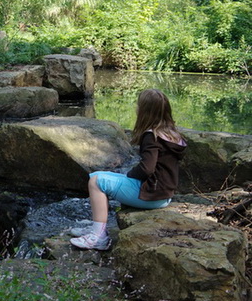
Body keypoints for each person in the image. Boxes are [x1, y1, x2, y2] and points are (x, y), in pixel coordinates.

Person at [71, 88, 187, 250]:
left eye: (138, 105)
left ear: (144, 112)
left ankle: (99, 237)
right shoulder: (173, 135)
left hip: (151, 196)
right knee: (96, 175)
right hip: (164, 195)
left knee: (96, 182)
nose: (136, 108)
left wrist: (130, 174)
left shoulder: (151, 136)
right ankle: (97, 227)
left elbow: (147, 169)